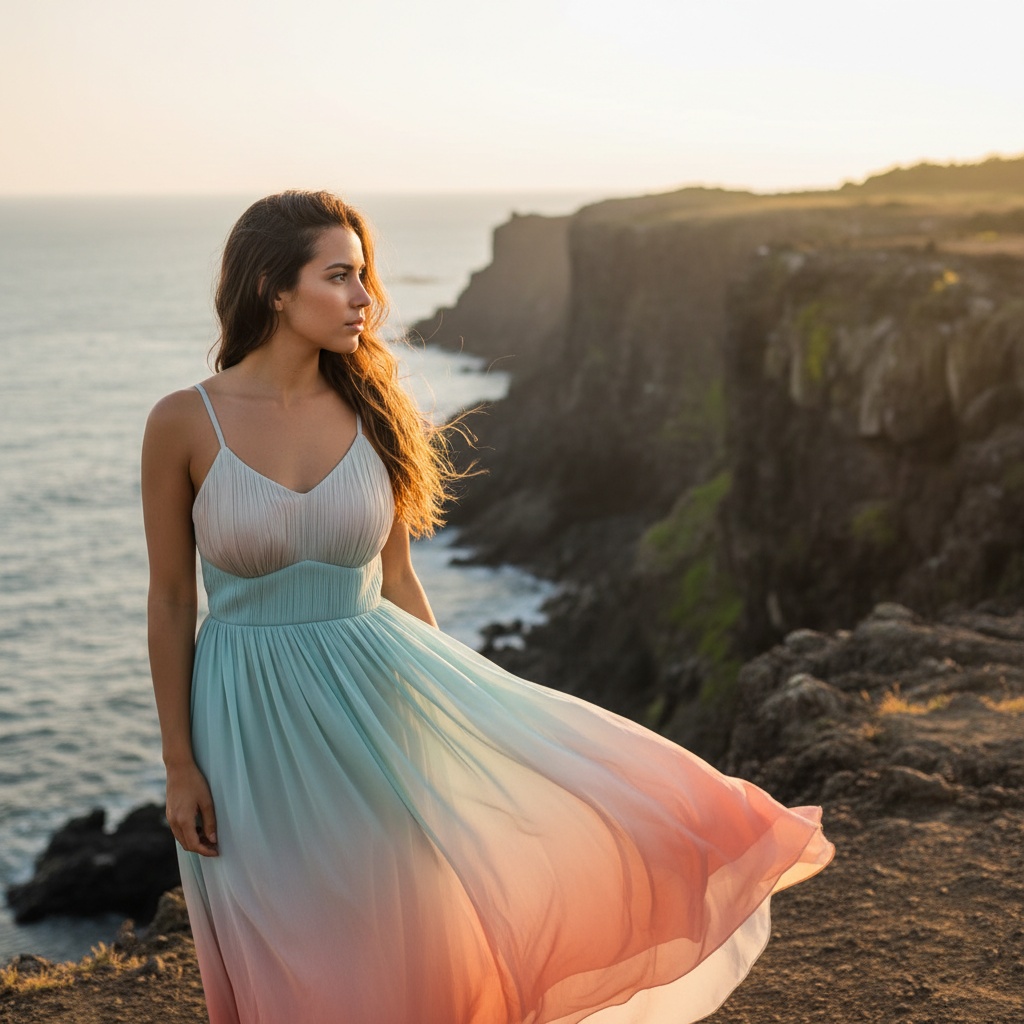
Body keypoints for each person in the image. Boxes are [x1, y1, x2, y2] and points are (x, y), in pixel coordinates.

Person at [141, 189, 833, 1024]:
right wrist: (180, 765)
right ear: (272, 289)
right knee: (281, 938)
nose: (368, 298)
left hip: (378, 701)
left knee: (397, 927)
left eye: (366, 276)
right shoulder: (184, 422)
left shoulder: (372, 413)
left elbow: (396, 580)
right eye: (341, 277)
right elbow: (174, 600)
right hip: (244, 717)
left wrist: (445, 721)